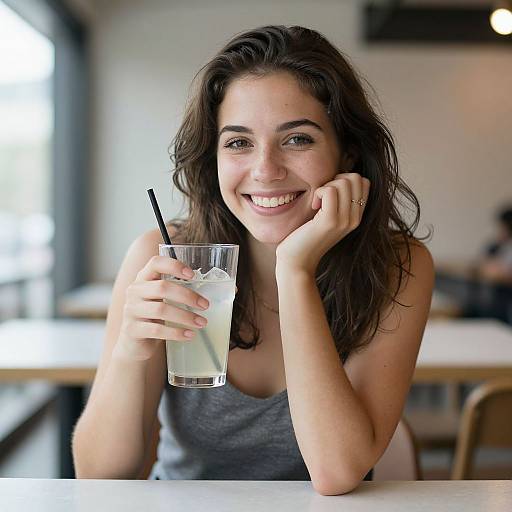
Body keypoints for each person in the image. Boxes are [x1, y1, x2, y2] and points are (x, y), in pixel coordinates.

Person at [72, 25, 434, 495]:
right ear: (214, 157)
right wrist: (129, 352)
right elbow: (100, 479)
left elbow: (337, 471)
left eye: (297, 139)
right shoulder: (163, 259)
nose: (265, 170)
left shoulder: (397, 268)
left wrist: (295, 268)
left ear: (346, 153)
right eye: (239, 142)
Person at [478, 205, 512, 284]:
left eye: (502, 227)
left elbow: (499, 272)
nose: (500, 231)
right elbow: (483, 263)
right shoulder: (497, 245)